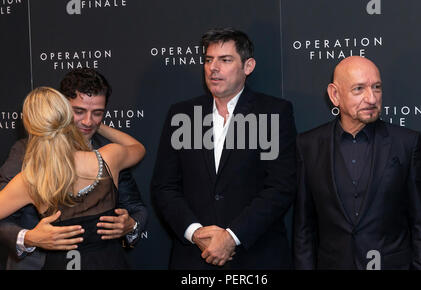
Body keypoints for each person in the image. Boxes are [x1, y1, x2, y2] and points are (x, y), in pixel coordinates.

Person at [151, 28, 297, 269]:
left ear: (248, 66)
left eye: (225, 60)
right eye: (209, 60)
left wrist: (232, 236)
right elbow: (164, 186)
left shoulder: (273, 113)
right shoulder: (182, 114)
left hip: (255, 257)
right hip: (193, 258)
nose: (213, 68)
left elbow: (280, 186)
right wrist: (195, 233)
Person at [293, 56, 421, 270]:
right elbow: (304, 228)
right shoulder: (309, 145)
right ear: (335, 95)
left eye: (376, 88)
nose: (371, 98)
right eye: (359, 89)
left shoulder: (406, 143)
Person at [0, 68, 147, 270]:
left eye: (97, 113)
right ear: (64, 110)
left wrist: (131, 225)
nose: (88, 121)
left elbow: (136, 206)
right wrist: (30, 237)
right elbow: (138, 149)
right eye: (79, 112)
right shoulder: (109, 156)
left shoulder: (31, 180)